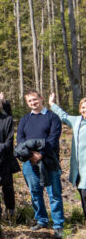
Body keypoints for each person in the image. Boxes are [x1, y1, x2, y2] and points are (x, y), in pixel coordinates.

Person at [16, 90, 63, 238]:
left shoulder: (52, 117)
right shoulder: (24, 119)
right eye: (30, 101)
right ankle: (41, 220)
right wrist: (31, 155)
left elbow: (52, 139)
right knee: (35, 193)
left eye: (35, 100)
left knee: (54, 193)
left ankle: (58, 224)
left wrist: (41, 154)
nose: (33, 103)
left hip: (49, 160)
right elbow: (20, 141)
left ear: (41, 98)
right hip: (30, 162)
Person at [49, 91, 86, 219]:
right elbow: (63, 115)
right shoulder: (76, 121)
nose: (84, 110)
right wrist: (52, 104)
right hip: (79, 169)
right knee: (83, 194)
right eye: (83, 107)